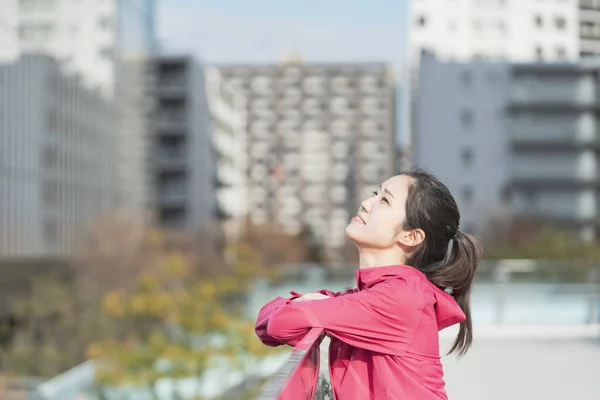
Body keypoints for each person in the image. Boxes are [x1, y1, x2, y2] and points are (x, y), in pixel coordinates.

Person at [255, 169, 482, 399]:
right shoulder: (369, 295)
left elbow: (280, 323)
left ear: (410, 236)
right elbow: (265, 325)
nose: (366, 203)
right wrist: (305, 306)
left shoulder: (403, 297)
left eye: (384, 200)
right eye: (376, 193)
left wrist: (304, 305)